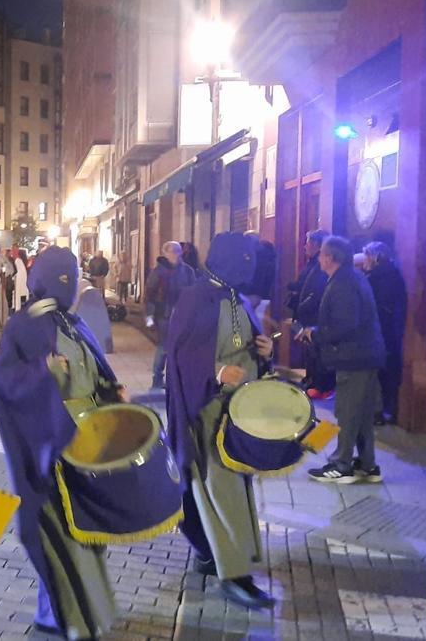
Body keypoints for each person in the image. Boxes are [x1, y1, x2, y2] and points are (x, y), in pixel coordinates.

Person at [0, 246, 123, 640]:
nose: (67, 284)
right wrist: (42, 373)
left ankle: (63, 614)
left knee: (86, 535)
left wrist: (112, 389)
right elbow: (3, 384)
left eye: (72, 275)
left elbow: (95, 371)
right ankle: (71, 618)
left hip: (89, 448)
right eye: (59, 276)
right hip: (51, 446)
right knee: (59, 537)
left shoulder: (74, 323)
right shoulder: (22, 325)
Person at [166, 232, 275, 610]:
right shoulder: (195, 297)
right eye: (242, 260)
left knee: (232, 489)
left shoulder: (237, 297)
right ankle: (235, 575)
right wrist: (214, 371)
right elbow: (178, 357)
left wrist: (265, 351)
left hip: (238, 413)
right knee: (222, 490)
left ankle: (212, 554)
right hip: (207, 411)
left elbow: (247, 345)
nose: (249, 267)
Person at [302, 236, 387, 483]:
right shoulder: (353, 277)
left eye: (321, 254)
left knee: (348, 412)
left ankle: (342, 464)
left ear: (329, 257)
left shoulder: (343, 283)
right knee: (361, 413)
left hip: (354, 357)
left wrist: (315, 334)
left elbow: (345, 324)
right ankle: (367, 465)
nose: (318, 258)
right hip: (365, 355)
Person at [363, 242, 407, 425]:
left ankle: (380, 411)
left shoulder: (382, 277)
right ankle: (382, 410)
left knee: (381, 372)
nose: (363, 260)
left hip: (382, 331)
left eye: (366, 256)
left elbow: (377, 305)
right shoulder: (388, 274)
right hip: (387, 331)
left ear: (375, 258)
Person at [287, 230, 334, 399]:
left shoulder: (320, 266)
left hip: (314, 315)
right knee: (309, 350)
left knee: (317, 350)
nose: (305, 246)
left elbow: (316, 291)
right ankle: (311, 380)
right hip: (306, 313)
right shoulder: (311, 264)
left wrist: (303, 304)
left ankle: (321, 385)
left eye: (308, 242)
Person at [144, 241, 198, 389]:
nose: (174, 254)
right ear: (164, 253)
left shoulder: (188, 271)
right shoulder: (158, 272)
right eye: (171, 251)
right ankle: (157, 379)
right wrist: (149, 318)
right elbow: (149, 295)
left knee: (181, 348)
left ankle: (176, 379)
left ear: (181, 253)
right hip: (164, 316)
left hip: (183, 316)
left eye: (177, 251)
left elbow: (194, 293)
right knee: (164, 347)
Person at [243, 234, 277, 324]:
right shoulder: (269, 257)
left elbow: (254, 279)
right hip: (265, 298)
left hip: (253, 297)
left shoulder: (255, 258)